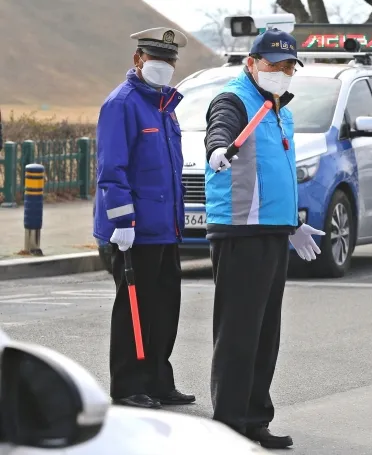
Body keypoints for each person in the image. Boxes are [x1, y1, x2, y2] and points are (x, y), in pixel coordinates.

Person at [203, 28, 324, 449]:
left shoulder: (278, 109)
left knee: (264, 333)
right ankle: (229, 425)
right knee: (238, 333)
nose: (283, 72)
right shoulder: (235, 99)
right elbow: (220, 130)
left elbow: (274, 174)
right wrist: (218, 149)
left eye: (289, 66)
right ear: (251, 63)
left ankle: (255, 418)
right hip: (240, 231)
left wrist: (291, 223)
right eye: (274, 65)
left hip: (271, 231)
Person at [93, 27, 195, 409]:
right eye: (157, 59)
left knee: (165, 307)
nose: (165, 67)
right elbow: (112, 169)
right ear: (138, 59)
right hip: (134, 231)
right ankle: (128, 386)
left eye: (170, 60)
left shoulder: (164, 107)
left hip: (165, 228)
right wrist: (122, 222)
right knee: (134, 310)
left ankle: (157, 380)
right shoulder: (122, 104)